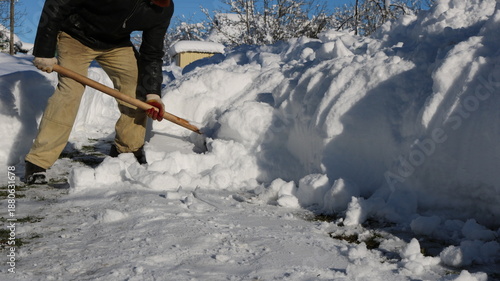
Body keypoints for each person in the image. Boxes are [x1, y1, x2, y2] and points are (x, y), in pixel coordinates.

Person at [24, 0, 174, 184]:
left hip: (117, 44)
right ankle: (38, 161)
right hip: (76, 36)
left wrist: (153, 95)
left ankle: (127, 150)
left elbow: (152, 53)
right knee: (70, 92)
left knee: (138, 91)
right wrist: (44, 50)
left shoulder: (163, 9)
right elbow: (57, 3)